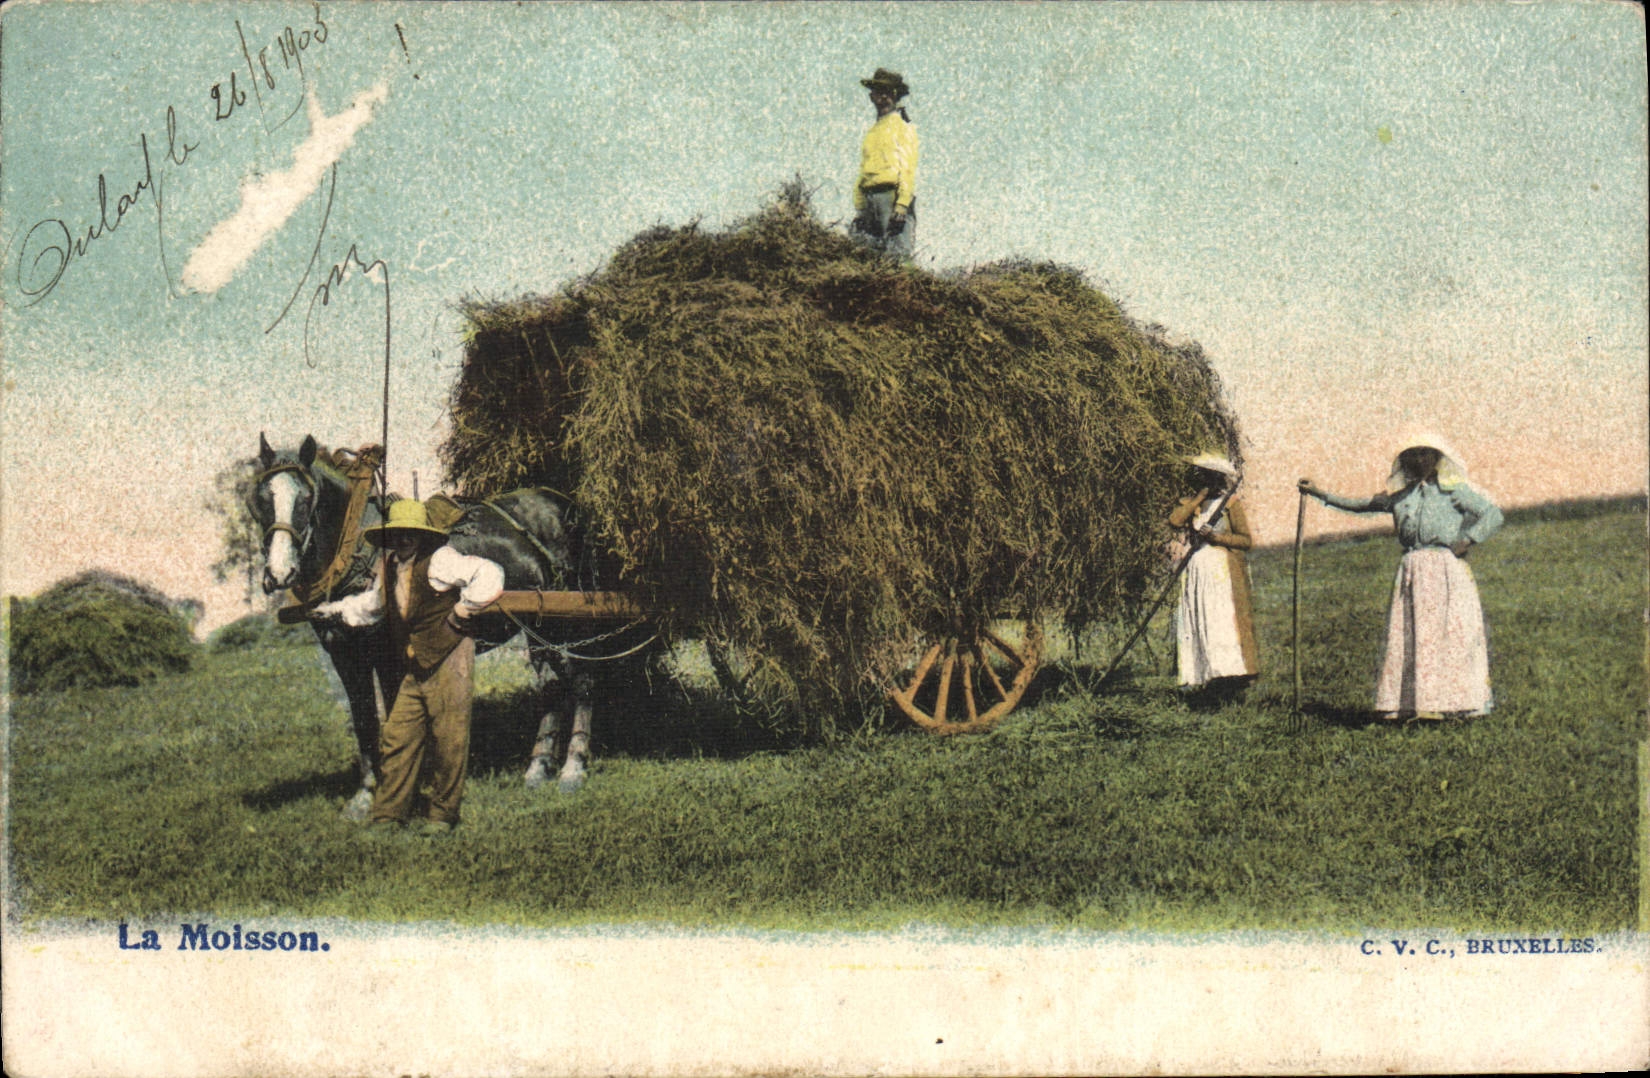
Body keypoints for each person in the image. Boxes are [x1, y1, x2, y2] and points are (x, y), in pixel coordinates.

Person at [311, 499, 505, 833]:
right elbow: (372, 606)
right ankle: (388, 816)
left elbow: (489, 573)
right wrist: (334, 611)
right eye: (398, 534)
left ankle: (442, 816)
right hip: (416, 663)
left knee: (449, 738)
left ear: (422, 535)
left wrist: (463, 610)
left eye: (410, 534)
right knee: (397, 736)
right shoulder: (389, 567)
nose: (403, 540)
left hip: (449, 655)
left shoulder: (441, 560)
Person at [1300, 438, 1503, 721]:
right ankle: (1415, 704)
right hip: (1411, 569)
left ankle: (1454, 703)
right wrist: (1319, 492)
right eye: (1413, 456)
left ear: (1436, 459)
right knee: (1411, 634)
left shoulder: (1453, 492)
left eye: (1425, 455)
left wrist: (1467, 540)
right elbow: (1361, 505)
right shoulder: (1401, 497)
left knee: (1447, 633)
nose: (1420, 461)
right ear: (1406, 463)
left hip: (1444, 570)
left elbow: (1492, 514)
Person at [1168, 453, 1258, 702]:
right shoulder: (1193, 502)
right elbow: (1175, 520)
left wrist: (1217, 538)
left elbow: (1245, 540)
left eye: (1209, 476)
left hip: (1222, 572)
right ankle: (1204, 677)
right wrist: (1199, 497)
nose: (1204, 479)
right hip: (1196, 571)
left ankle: (1227, 679)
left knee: (1220, 625)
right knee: (1199, 621)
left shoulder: (1230, 504)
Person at [851, 68, 919, 259]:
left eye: (887, 94)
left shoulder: (903, 127)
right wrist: (860, 203)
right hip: (870, 198)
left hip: (891, 196)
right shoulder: (872, 132)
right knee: (868, 253)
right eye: (878, 93)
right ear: (872, 96)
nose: (882, 99)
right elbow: (864, 168)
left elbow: (907, 167)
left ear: (895, 96)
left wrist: (902, 204)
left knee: (897, 253)